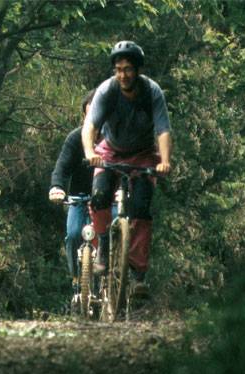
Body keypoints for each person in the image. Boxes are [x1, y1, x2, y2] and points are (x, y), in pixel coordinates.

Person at [82, 40, 172, 298]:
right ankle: (103, 246)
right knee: (99, 197)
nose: (123, 75)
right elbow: (90, 126)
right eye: (119, 69)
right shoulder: (106, 91)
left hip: (143, 155)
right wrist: (90, 153)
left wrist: (164, 160)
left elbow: (163, 130)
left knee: (141, 208)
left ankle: (138, 275)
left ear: (138, 70)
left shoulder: (152, 92)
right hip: (110, 151)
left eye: (128, 69)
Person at [49, 89, 97, 296]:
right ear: (83, 116)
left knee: (112, 234)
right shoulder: (75, 138)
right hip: (78, 197)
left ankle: (115, 275)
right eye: (89, 115)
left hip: (107, 199)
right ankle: (77, 278)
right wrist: (57, 187)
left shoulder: (113, 138)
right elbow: (62, 167)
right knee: (73, 234)